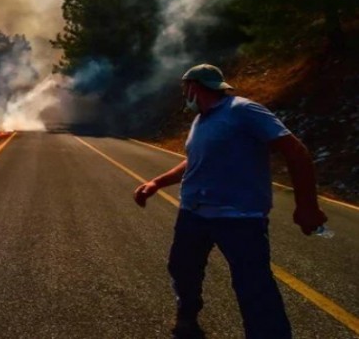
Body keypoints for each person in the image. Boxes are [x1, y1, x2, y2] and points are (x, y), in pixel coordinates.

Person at [133, 64, 327, 339]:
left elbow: (295, 151)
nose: (183, 94)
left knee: (254, 288)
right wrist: (156, 183)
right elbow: (195, 161)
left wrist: (307, 205)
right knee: (182, 269)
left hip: (239, 218)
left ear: (195, 87)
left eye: (184, 88)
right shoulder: (201, 120)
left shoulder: (243, 110)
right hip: (193, 214)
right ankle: (188, 314)